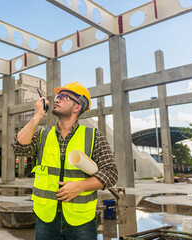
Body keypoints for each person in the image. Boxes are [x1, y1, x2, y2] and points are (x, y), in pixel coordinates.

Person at [11, 81, 118, 239]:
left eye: (64, 97)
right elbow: (18, 148)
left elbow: (111, 173)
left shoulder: (94, 136)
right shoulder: (42, 134)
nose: (57, 99)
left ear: (77, 107)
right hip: (46, 218)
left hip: (81, 221)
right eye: (57, 96)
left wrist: (80, 186)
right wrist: (37, 116)